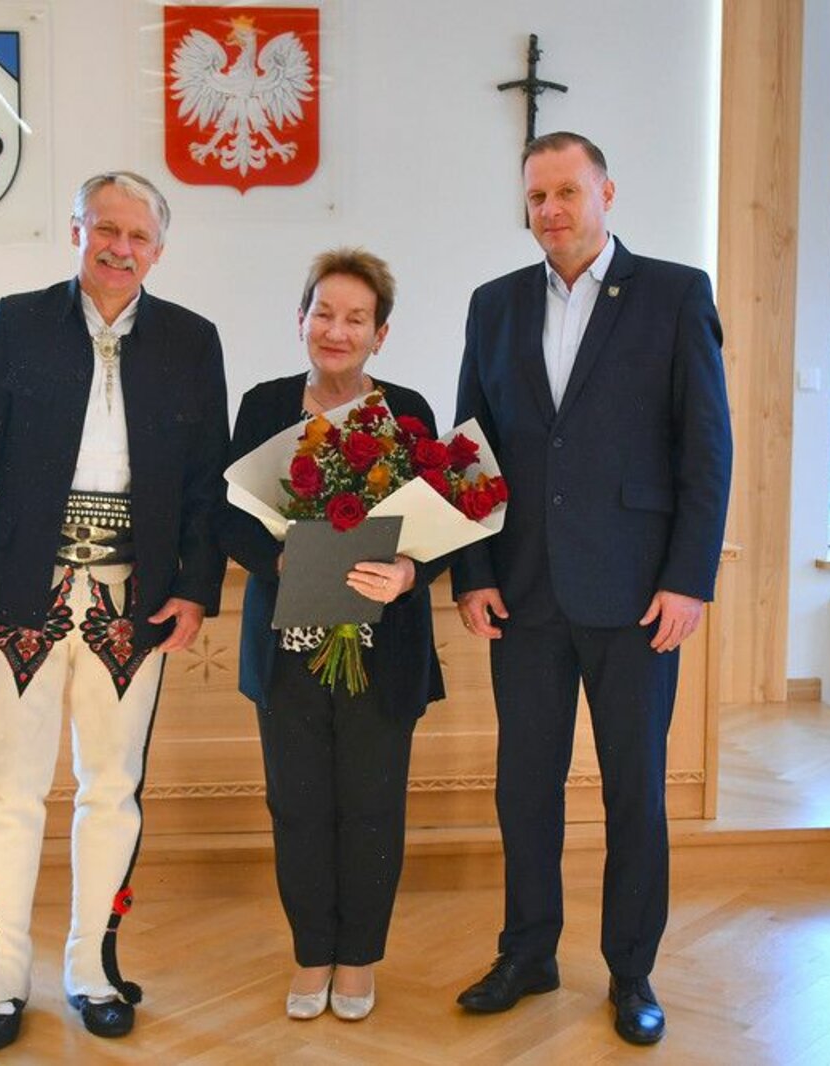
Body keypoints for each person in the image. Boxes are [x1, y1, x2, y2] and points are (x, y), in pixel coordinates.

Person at [0, 171, 228, 1051]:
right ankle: (0, 981)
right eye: (106, 229)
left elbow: (207, 479)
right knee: (8, 792)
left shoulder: (192, 340)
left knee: (112, 789)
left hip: (134, 601)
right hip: (17, 593)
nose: (119, 248)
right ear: (76, 232)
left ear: (159, 251)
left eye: (138, 236)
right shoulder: (17, 322)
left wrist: (195, 587)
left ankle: (93, 970)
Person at [451, 131, 732, 1045]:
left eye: (567, 191)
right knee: (524, 789)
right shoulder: (494, 305)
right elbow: (469, 451)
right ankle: (528, 953)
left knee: (635, 794)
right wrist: (473, 572)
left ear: (607, 193)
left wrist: (688, 579)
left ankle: (631, 971)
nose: (551, 210)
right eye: (537, 196)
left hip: (637, 596)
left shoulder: (675, 294)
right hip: (523, 595)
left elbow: (707, 448)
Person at [218, 248, 447, 1023]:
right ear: (301, 320)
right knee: (298, 807)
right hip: (288, 649)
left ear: (381, 334)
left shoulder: (408, 412)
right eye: (323, 313)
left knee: (372, 809)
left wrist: (410, 573)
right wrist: (278, 558)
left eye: (356, 318)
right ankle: (312, 952)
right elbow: (227, 515)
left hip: (384, 648)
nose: (337, 330)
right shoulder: (264, 406)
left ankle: (358, 960)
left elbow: (442, 525)